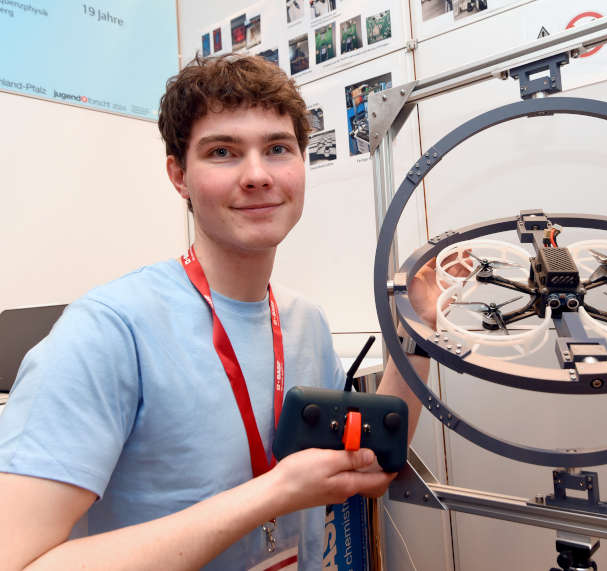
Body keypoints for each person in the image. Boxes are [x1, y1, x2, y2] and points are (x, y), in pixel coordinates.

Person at [0, 55, 452, 570]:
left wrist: (417, 329)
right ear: (179, 175)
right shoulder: (107, 331)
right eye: (223, 152)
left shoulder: (305, 320)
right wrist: (272, 494)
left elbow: (372, 465)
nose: (258, 175)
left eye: (278, 148)